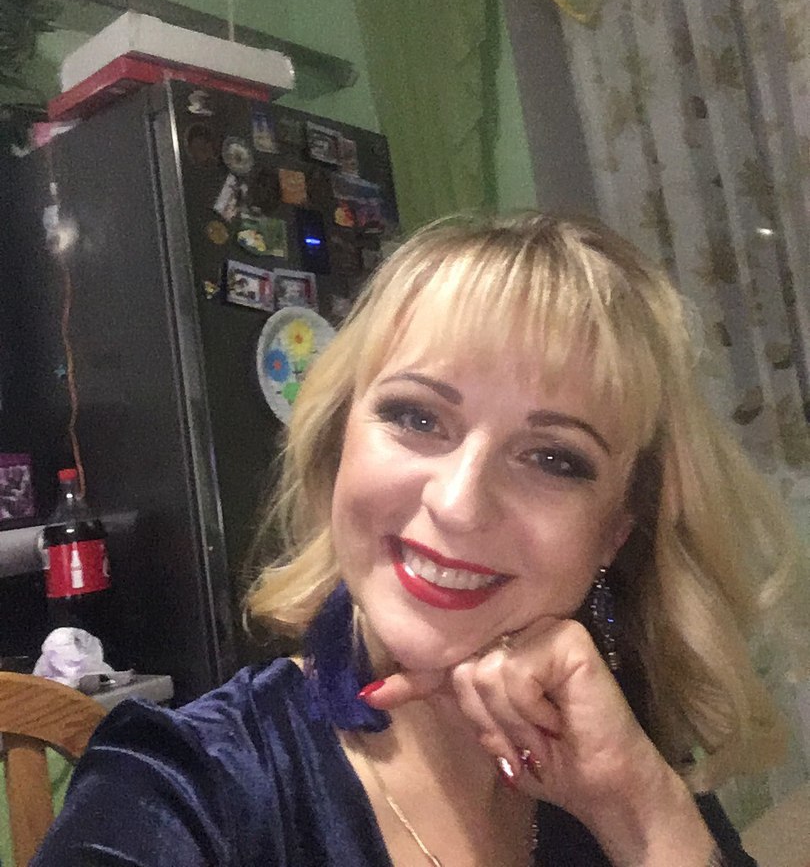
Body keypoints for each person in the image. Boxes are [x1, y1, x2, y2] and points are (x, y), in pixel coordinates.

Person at [34, 212, 807, 866]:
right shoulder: (188, 786)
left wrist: (642, 811)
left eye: (552, 459)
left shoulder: (621, 748)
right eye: (416, 416)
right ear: (338, 445)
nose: (460, 504)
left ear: (614, 532)